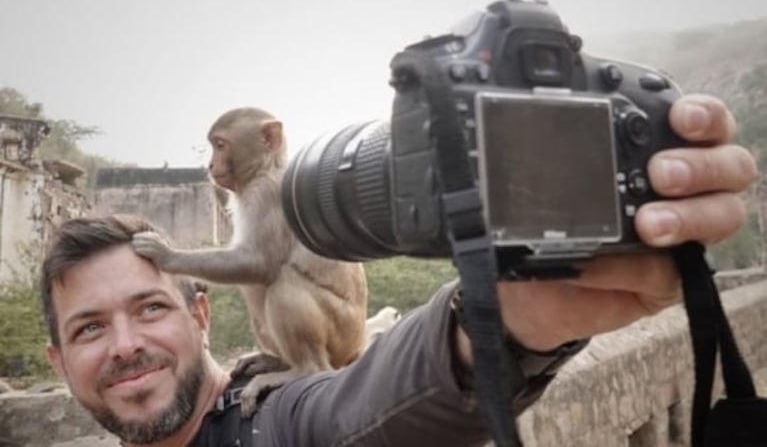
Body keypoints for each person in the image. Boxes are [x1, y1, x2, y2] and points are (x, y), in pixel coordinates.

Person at [40, 94, 756, 447]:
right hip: (299, 327)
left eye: (152, 306)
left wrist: (514, 314)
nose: (126, 341)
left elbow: (363, 407)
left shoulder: (272, 424)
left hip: (319, 345)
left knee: (272, 280)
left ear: (200, 316)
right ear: (58, 359)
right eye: (91, 326)